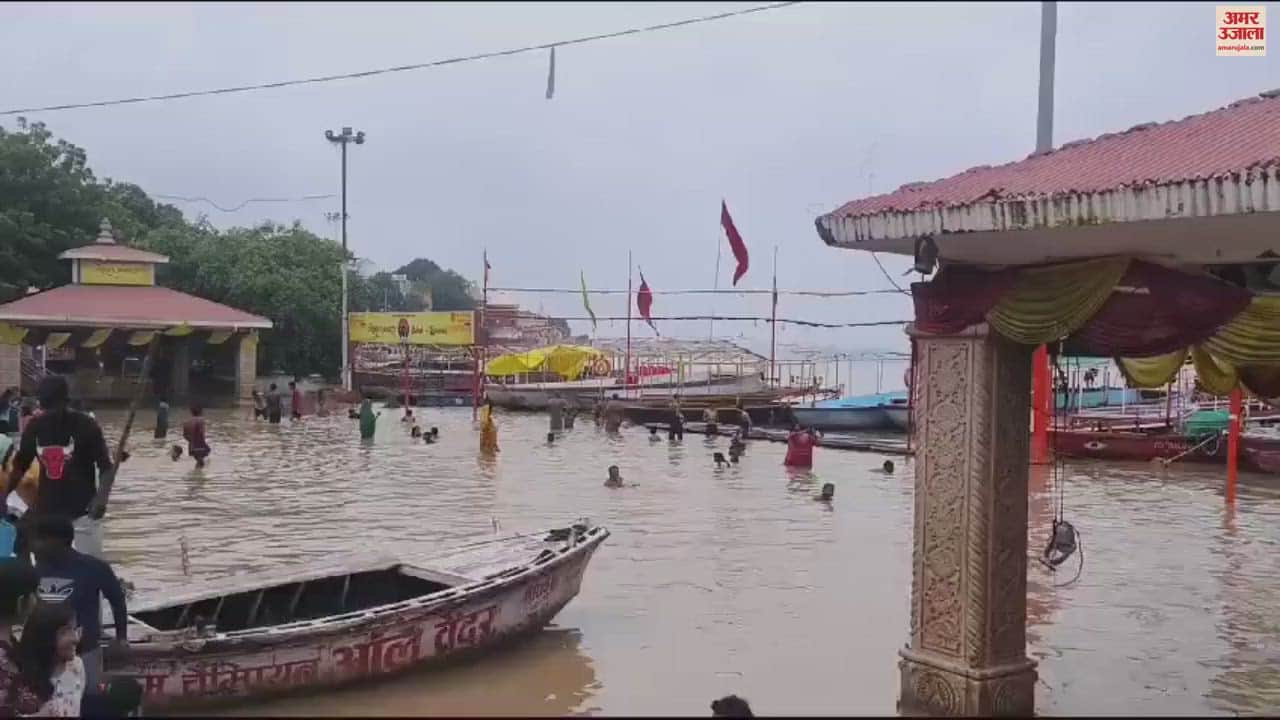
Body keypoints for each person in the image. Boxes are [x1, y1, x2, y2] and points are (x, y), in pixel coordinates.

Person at [5, 376, 116, 560]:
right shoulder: (35, 427)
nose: (50, 412)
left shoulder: (86, 426)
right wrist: (3, 496)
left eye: (54, 406)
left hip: (83, 513)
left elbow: (106, 467)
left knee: (90, 565)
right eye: (46, 407)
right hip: (48, 513)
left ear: (65, 402)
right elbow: (20, 466)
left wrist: (101, 498)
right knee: (28, 548)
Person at [29, 514, 128, 696]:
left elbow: (117, 600)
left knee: (88, 699)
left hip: (85, 652)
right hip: (45, 656)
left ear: (58, 540)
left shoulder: (94, 567)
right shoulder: (37, 569)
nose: (34, 545)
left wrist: (121, 638)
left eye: (39, 540)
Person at [14, 600, 84, 717]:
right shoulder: (17, 679)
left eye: (74, 629)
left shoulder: (76, 666)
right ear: (45, 638)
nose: (75, 638)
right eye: (64, 632)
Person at [0, 558, 42, 716]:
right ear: (21, 602)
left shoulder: (12, 643)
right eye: (35, 595)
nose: (37, 601)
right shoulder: (4, 658)